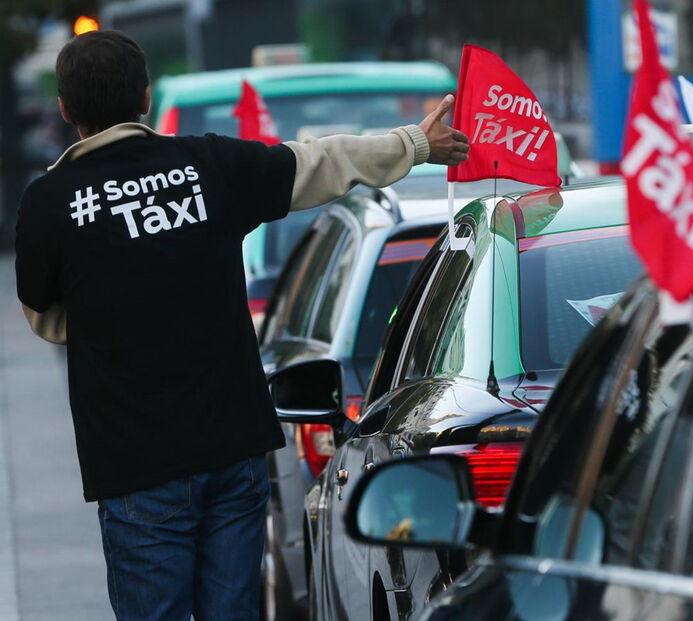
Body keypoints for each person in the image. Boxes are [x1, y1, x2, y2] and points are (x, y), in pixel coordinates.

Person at [14, 30, 468, 620]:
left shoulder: (50, 203)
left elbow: (42, 314)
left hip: (135, 466)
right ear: (145, 98)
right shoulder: (209, 164)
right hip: (234, 449)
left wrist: (108, 308)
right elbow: (320, 162)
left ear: (65, 108)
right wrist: (414, 143)